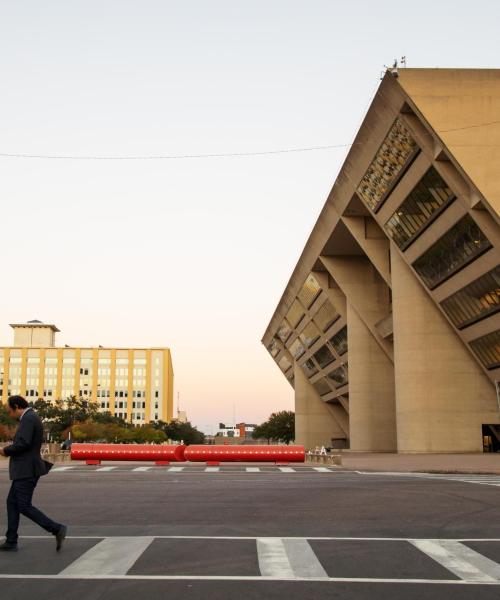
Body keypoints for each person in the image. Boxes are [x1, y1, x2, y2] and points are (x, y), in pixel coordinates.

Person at [0, 395, 67, 552]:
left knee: (23, 505)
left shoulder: (29, 419)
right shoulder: (31, 417)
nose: (10, 415)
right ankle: (11, 540)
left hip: (26, 469)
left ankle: (56, 528)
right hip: (26, 469)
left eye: (10, 411)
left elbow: (23, 443)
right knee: (12, 503)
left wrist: (5, 450)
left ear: (17, 407)